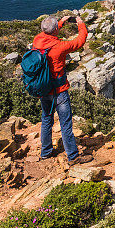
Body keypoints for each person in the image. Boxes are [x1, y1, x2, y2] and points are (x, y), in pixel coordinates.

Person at [32, 14, 93, 165]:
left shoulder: (37, 40)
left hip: (43, 89)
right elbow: (80, 41)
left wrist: (60, 23)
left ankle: (45, 152)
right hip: (59, 91)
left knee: (46, 119)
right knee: (65, 123)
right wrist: (80, 23)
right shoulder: (60, 47)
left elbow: (49, 33)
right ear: (54, 32)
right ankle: (73, 156)